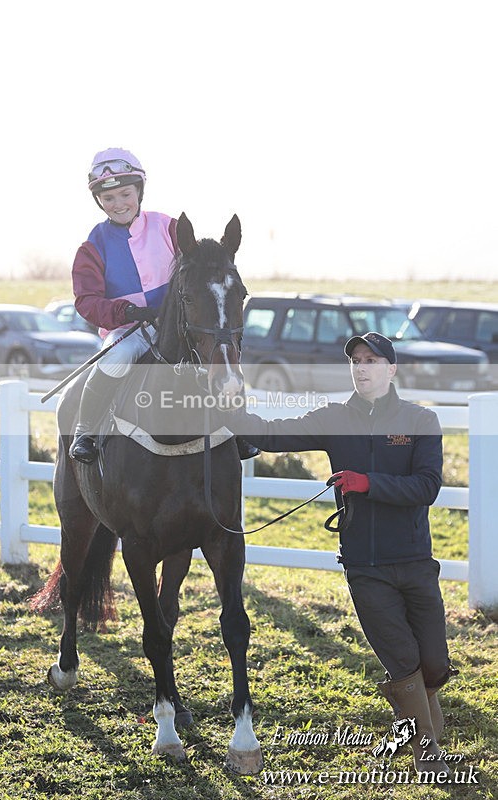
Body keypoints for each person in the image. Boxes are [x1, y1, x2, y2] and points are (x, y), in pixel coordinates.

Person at [220, 331, 455, 775]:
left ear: (391, 369)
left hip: (416, 561)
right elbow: (269, 434)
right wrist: (227, 409)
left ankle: (422, 714)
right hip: (365, 567)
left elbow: (427, 487)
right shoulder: (333, 417)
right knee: (402, 658)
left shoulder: (421, 421)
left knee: (434, 662)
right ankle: (428, 753)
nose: (362, 368)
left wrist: (366, 482)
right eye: (356, 361)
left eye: (372, 360)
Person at [68, 147, 259, 464]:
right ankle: (85, 432)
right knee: (113, 360)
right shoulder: (92, 246)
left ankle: (238, 430)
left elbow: (197, 269)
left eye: (124, 194)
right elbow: (86, 302)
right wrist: (124, 313)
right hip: (128, 331)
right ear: (99, 201)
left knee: (219, 354)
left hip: (177, 325)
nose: (118, 204)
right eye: (109, 199)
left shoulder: (167, 227)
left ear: (139, 191)